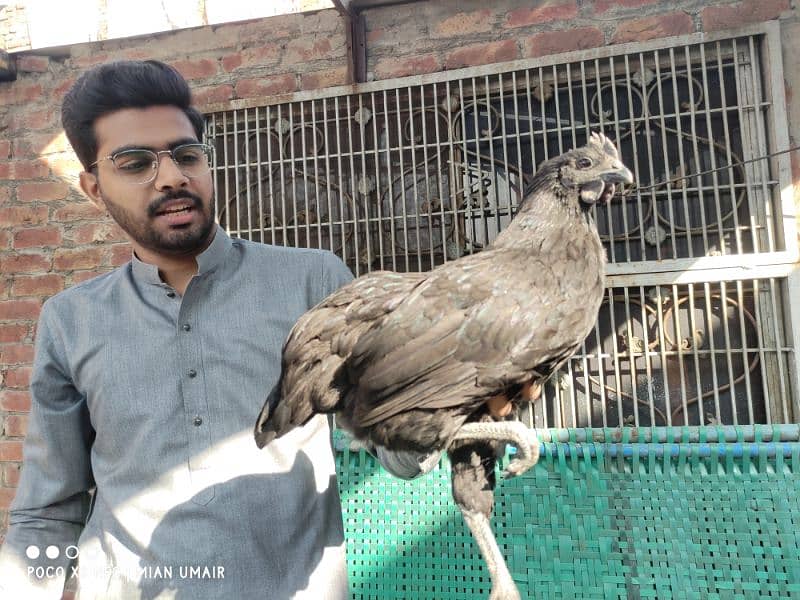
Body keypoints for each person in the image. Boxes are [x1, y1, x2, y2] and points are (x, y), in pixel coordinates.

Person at [0, 59, 442, 600]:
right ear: (94, 189)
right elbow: (48, 513)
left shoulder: (312, 280)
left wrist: (458, 385)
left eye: (187, 155)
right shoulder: (71, 321)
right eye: (135, 162)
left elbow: (398, 450)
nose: (172, 177)